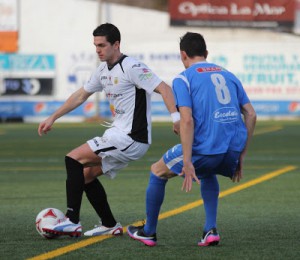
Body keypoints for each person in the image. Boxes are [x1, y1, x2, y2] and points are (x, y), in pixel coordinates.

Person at [38, 23, 180, 237]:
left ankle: (72, 220)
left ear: (116, 44)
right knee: (85, 176)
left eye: (102, 45)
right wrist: (53, 117)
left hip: (131, 137)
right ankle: (109, 224)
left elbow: (165, 88)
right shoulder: (102, 70)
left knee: (73, 159)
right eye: (95, 45)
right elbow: (80, 95)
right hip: (117, 135)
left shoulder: (131, 67)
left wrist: (176, 117)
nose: (98, 50)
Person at [127, 32, 257, 247]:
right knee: (207, 174)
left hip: (204, 149)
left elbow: (186, 120)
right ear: (206, 53)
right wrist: (241, 154)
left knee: (157, 171)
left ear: (183, 55)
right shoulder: (229, 74)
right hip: (231, 150)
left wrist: (187, 160)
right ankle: (210, 230)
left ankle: (148, 232)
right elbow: (251, 114)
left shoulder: (183, 77)